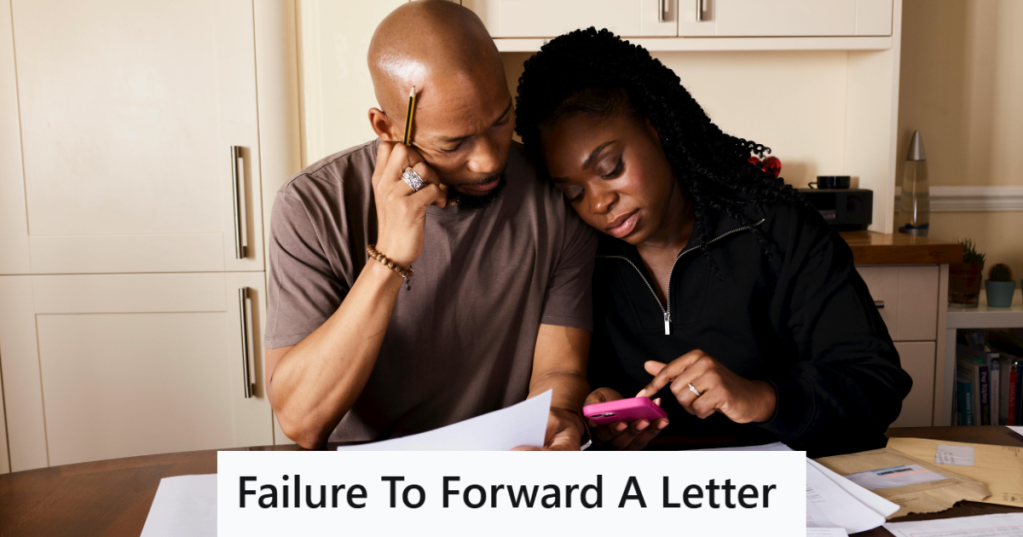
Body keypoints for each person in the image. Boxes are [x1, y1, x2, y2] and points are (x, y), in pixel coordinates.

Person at [514, 28, 912, 457]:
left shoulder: (776, 229)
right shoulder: (580, 255)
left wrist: (762, 398)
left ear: (657, 128)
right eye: (573, 192)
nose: (598, 203)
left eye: (611, 168)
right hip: (645, 488)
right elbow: (569, 382)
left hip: (778, 481)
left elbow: (877, 387)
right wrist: (598, 410)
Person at [262, 1, 595, 450]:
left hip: (504, 464)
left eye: (500, 121)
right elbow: (302, 421)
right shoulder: (311, 206)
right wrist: (389, 256)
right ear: (386, 127)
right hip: (364, 477)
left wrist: (556, 421)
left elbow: (560, 369)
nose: (488, 160)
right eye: (454, 144)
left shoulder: (554, 191)